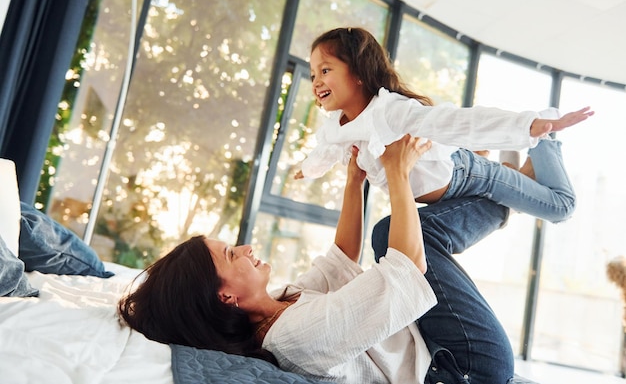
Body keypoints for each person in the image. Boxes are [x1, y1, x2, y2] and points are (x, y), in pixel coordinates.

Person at [117, 133, 549, 384]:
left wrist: (354, 180)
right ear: (226, 297)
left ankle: (504, 191)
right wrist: (397, 172)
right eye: (233, 255)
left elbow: (339, 258)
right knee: (394, 235)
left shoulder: (281, 305)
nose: (247, 248)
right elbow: (407, 270)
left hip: (438, 346)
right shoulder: (293, 336)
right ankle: (511, 185)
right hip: (466, 368)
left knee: (392, 232)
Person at [295, 26, 594, 223]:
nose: (316, 81)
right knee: (511, 201)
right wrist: (306, 171)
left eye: (325, 70)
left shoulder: (390, 112)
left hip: (469, 177)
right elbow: (325, 151)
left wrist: (528, 126)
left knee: (560, 208)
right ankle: (515, 167)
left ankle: (545, 137)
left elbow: (458, 122)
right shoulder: (335, 127)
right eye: (312, 74)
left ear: (358, 73)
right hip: (444, 195)